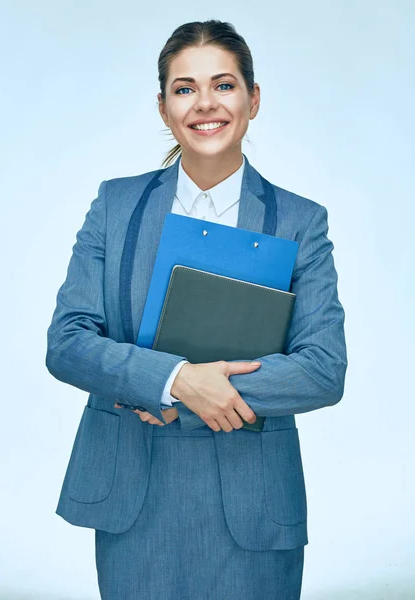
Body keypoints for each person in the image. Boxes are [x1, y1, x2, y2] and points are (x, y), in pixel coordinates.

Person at [46, 19, 347, 600]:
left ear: (253, 99)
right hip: (136, 493)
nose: (204, 103)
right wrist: (177, 381)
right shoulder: (116, 206)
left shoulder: (299, 221)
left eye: (224, 85)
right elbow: (69, 340)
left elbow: (321, 368)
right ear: (163, 107)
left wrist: (189, 399)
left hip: (251, 503)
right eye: (184, 88)